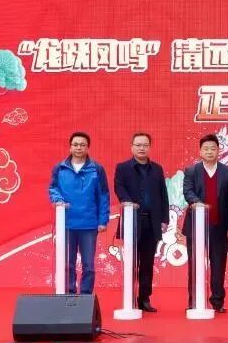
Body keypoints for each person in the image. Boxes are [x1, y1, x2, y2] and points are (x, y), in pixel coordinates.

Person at [183, 134, 228, 313]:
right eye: (206, 149)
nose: (209, 152)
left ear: (218, 150)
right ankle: (194, 300)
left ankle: (217, 301)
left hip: (219, 227)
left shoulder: (227, 172)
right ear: (200, 151)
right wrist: (197, 203)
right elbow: (188, 192)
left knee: (218, 265)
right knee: (195, 265)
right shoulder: (191, 171)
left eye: (213, 148)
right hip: (196, 227)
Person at [49, 131, 110, 295]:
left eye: (82, 145)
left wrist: (103, 220)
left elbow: (103, 195)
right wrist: (58, 200)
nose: (78, 148)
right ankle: (69, 294)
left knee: (88, 265)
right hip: (66, 224)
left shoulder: (97, 169)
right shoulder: (59, 168)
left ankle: (85, 297)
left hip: (89, 225)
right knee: (67, 264)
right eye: (75, 144)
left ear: (87, 148)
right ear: (70, 147)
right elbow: (53, 188)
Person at [114, 132, 169, 312]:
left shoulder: (157, 169)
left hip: (151, 223)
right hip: (132, 221)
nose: (142, 148)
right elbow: (119, 187)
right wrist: (127, 202)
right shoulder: (123, 168)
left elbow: (163, 194)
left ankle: (144, 298)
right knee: (131, 262)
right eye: (138, 145)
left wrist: (164, 219)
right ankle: (129, 297)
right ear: (132, 147)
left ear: (150, 147)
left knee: (147, 263)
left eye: (145, 145)